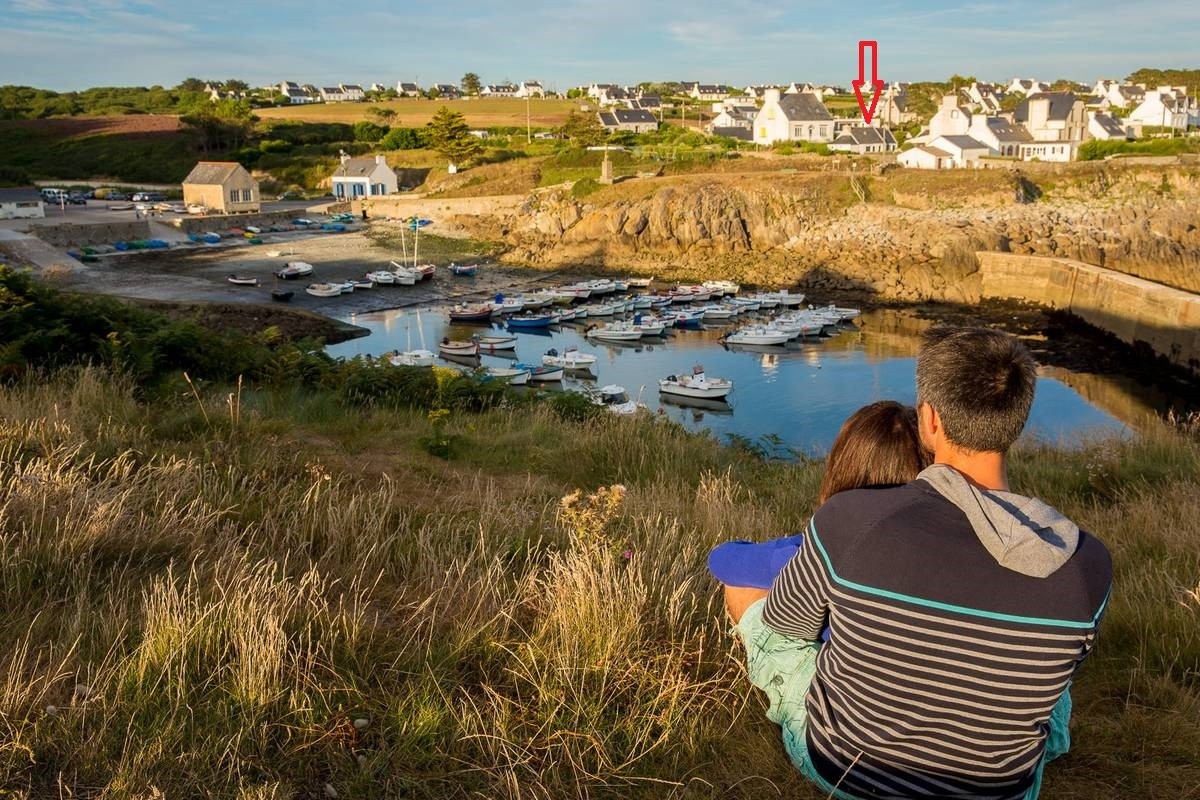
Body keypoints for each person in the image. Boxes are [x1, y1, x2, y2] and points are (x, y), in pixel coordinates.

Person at [719, 327, 1112, 800]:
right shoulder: (1086, 563)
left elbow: (788, 626)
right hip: (1001, 791)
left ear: (929, 420)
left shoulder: (850, 519)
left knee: (749, 599)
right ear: (1018, 420)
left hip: (849, 770)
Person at [708, 401, 929, 624]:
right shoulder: (947, 543)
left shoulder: (829, 546)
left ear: (842, 466)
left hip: (836, 654)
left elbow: (722, 560)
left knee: (743, 588)